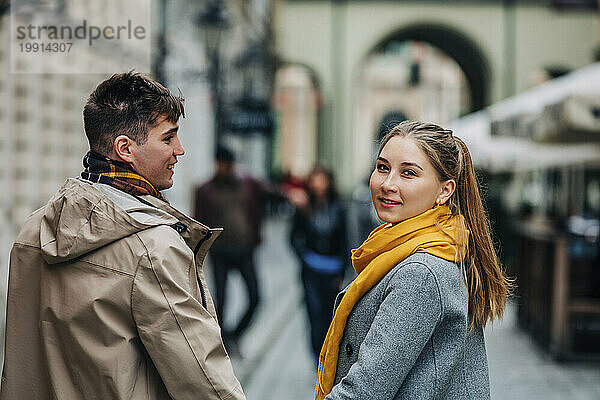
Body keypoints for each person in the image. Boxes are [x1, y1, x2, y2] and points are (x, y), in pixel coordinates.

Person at [1, 72, 245, 400]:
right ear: (125, 149)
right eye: (168, 138)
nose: (180, 149)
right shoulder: (153, 248)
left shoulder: (34, 231)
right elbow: (206, 384)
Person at [315, 121, 512, 400]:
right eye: (382, 167)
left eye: (408, 173)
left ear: (445, 190)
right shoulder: (406, 249)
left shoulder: (420, 271)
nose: (388, 184)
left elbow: (364, 391)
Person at [193, 146, 275, 350]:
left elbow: (270, 192)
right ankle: (222, 343)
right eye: (222, 164)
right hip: (220, 252)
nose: (226, 168)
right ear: (216, 164)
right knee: (220, 303)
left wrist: (293, 195)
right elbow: (198, 222)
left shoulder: (247, 184)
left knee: (255, 298)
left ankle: (234, 335)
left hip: (244, 250)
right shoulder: (204, 190)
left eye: (228, 164)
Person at [290, 166, 349, 361]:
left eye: (322, 180)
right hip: (311, 271)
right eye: (315, 180)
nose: (318, 185)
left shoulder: (339, 207)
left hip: (332, 271)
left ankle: (329, 356)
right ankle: (318, 358)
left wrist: (343, 270)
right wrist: (304, 257)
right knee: (314, 315)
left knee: (330, 315)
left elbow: (344, 240)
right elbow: (293, 237)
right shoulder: (304, 207)